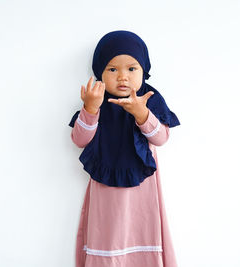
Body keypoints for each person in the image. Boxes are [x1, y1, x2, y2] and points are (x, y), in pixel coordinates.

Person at [69, 30, 180, 267]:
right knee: (107, 236)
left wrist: (142, 114)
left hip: (143, 187)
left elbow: (161, 138)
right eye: (112, 69)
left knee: (142, 231)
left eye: (131, 69)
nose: (122, 77)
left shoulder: (149, 99)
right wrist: (90, 109)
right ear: (100, 72)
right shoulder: (96, 99)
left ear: (144, 71)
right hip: (105, 185)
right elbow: (79, 139)